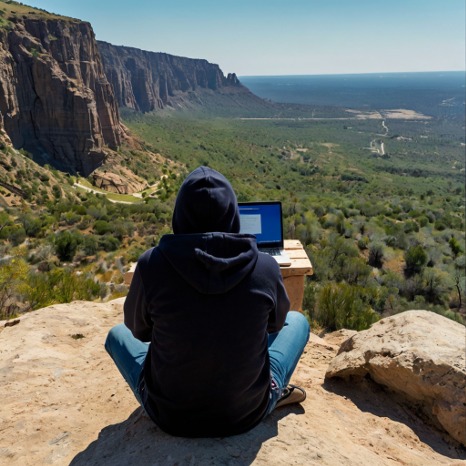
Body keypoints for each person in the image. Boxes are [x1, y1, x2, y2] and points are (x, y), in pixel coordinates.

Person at [105, 166, 310, 437]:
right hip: (247, 413)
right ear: (233, 215)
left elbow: (139, 331)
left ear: (179, 214)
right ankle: (271, 393)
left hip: (170, 416)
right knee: (298, 321)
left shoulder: (151, 265)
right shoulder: (265, 266)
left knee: (117, 334)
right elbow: (275, 325)